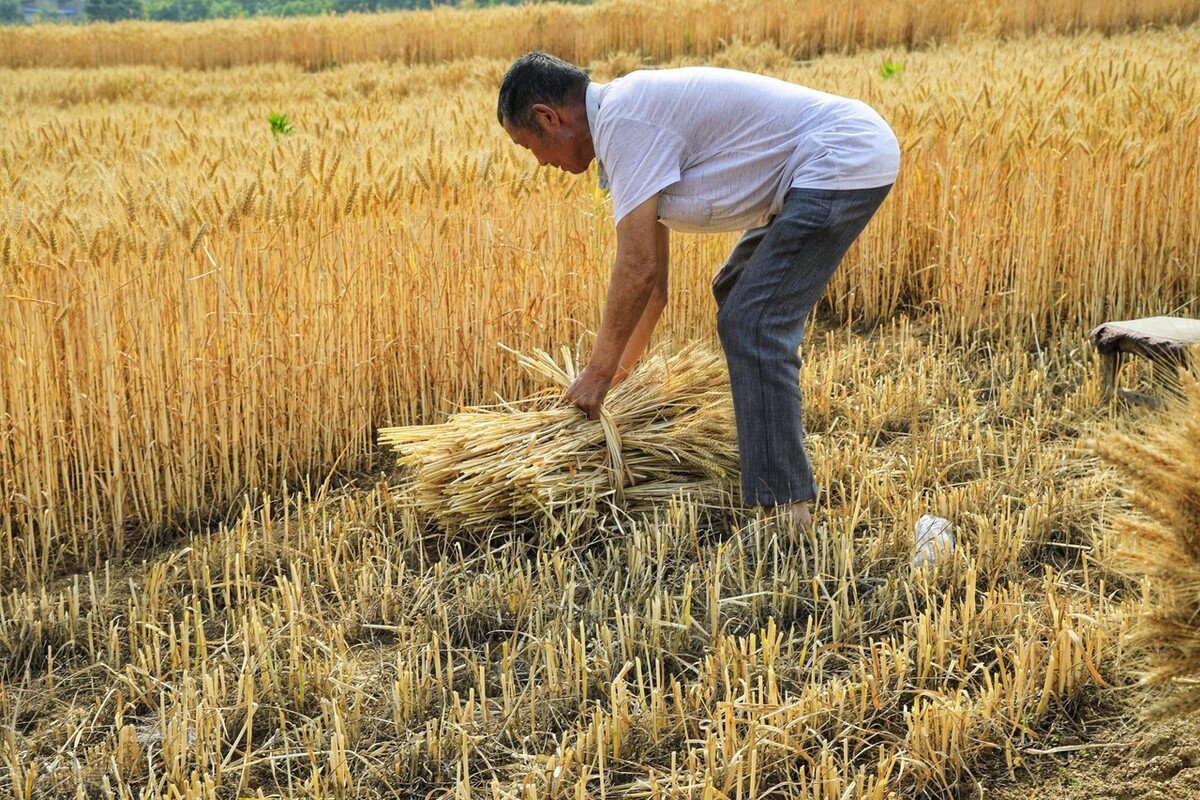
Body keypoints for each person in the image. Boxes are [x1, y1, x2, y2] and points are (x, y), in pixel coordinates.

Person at [497, 52, 899, 531]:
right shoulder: (623, 126)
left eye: (529, 147)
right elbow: (654, 289)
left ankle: (786, 512)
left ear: (548, 117)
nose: (541, 162)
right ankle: (771, 442)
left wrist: (596, 374)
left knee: (752, 321)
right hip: (828, 161)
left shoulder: (626, 122)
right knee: (736, 290)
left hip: (842, 157)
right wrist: (618, 382)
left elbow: (638, 267)